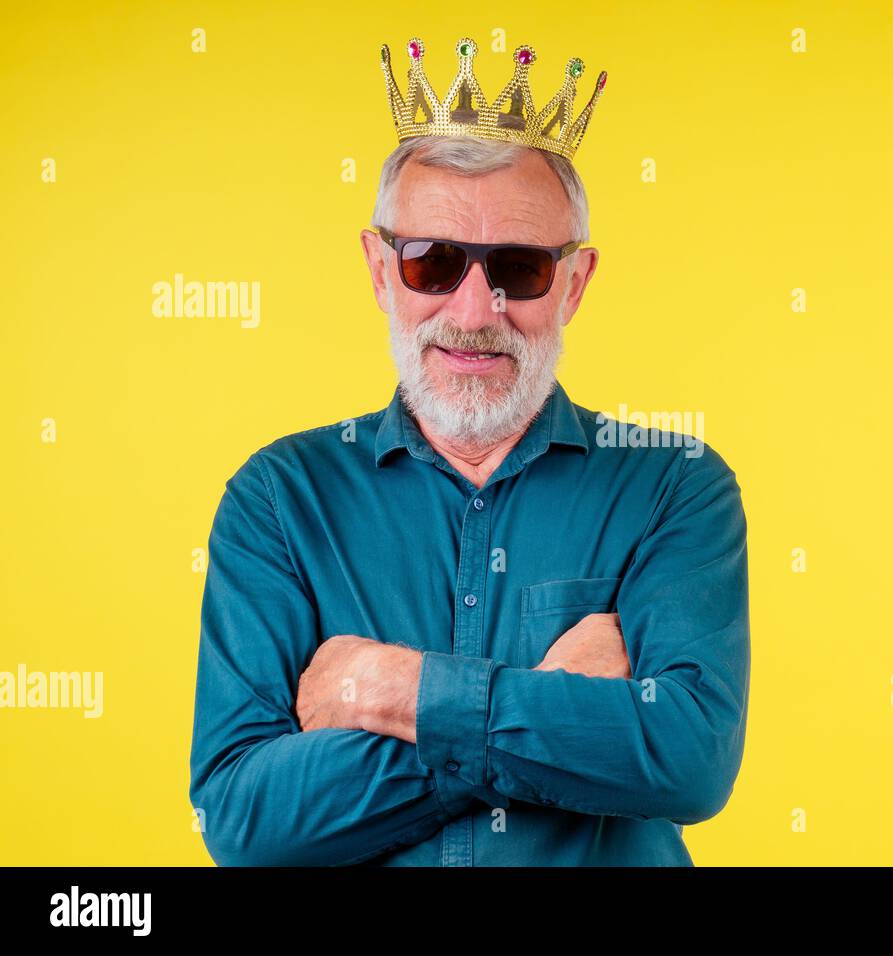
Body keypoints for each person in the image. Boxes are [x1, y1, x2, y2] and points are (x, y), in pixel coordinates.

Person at [187, 35, 750, 866]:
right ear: (381, 272)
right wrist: (553, 705)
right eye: (434, 263)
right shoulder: (279, 497)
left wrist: (392, 689)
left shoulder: (675, 487)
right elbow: (243, 822)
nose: (475, 309)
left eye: (519, 268)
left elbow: (689, 760)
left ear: (575, 283)